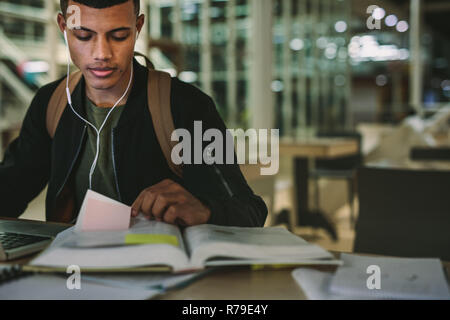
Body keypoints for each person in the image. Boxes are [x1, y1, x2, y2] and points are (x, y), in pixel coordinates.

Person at [0, 0, 267, 227]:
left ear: (138, 27)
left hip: (162, 276)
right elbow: (11, 189)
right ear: (62, 27)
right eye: (84, 35)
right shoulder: (52, 103)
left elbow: (250, 210)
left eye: (119, 36)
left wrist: (205, 209)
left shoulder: (186, 106)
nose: (102, 54)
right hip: (72, 274)